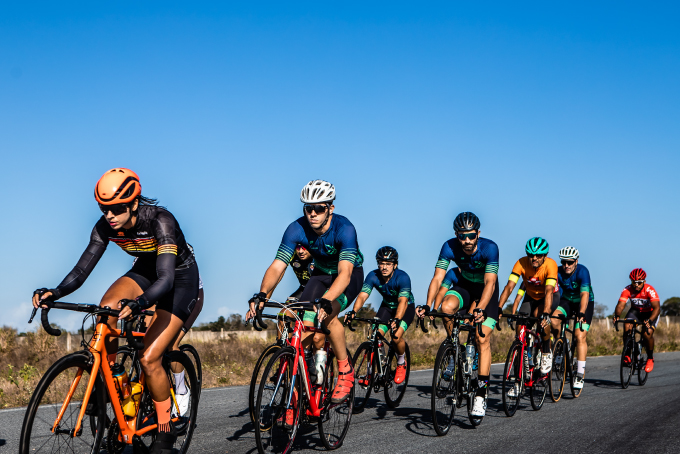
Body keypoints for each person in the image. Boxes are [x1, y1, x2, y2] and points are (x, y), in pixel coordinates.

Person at [32, 168, 199, 453]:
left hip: (179, 279)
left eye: (116, 209)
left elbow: (167, 279)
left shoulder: (161, 220)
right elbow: (82, 268)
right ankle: (110, 381)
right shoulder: (105, 226)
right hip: (145, 272)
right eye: (103, 208)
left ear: (134, 204)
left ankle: (165, 431)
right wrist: (55, 292)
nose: (109, 215)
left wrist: (140, 303)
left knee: (149, 358)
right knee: (105, 311)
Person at [246, 180, 363, 427]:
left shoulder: (345, 229)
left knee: (327, 316)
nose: (312, 214)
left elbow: (344, 274)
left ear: (330, 208)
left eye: (318, 208)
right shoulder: (295, 229)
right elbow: (278, 266)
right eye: (307, 208)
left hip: (347, 276)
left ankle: (344, 370)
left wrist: (328, 301)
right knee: (302, 327)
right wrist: (262, 295)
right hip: (320, 275)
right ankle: (296, 392)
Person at [418, 212, 499, 418]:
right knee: (446, 308)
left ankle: (481, 393)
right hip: (465, 286)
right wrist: (428, 305)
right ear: (456, 234)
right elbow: (438, 278)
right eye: (462, 236)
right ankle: (455, 347)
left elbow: (490, 282)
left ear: (478, 233)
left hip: (485, 290)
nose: (467, 241)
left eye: (471, 235)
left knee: (482, 337)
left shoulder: (490, 248)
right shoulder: (449, 246)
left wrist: (480, 308)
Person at [345, 246, 415, 384]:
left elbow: (402, 301)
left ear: (395, 265)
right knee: (375, 335)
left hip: (405, 308)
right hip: (387, 307)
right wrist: (354, 311)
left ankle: (401, 362)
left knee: (395, 337)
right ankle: (373, 372)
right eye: (381, 263)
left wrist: (397, 319)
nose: (384, 267)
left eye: (388, 264)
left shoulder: (402, 277)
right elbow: (363, 296)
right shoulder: (373, 276)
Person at [498, 237, 559, 380]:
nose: (534, 258)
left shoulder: (551, 265)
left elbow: (549, 291)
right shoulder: (521, 263)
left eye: (538, 256)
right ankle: (521, 369)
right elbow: (510, 287)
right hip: (530, 297)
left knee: (540, 318)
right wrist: (499, 307)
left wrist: (546, 313)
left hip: (549, 296)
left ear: (545, 255)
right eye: (531, 255)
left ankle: (546, 351)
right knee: (520, 327)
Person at [550, 247, 594, 389]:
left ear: (576, 261)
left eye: (570, 262)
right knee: (553, 319)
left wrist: (581, 313)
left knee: (579, 335)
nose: (566, 266)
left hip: (583, 302)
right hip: (566, 301)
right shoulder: (557, 271)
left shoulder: (583, 271)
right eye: (564, 262)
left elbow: (584, 295)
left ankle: (580, 374)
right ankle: (560, 344)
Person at [613, 268, 660, 373]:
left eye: (639, 283)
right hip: (636, 312)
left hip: (650, 313)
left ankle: (650, 358)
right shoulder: (627, 290)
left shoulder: (649, 290)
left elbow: (657, 308)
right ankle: (627, 354)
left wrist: (650, 320)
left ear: (644, 282)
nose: (637, 285)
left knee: (647, 333)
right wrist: (616, 315)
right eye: (634, 282)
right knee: (627, 327)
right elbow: (621, 305)